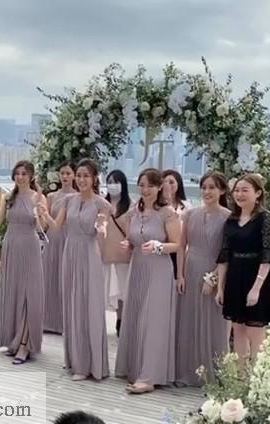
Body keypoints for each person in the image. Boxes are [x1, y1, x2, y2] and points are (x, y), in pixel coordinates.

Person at [39, 159, 110, 381]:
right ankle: (74, 359)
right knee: (71, 305)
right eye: (78, 175)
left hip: (88, 255)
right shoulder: (69, 200)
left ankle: (89, 364)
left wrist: (102, 227)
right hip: (69, 253)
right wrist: (44, 214)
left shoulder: (102, 204)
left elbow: (102, 225)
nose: (81, 179)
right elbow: (56, 225)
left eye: (86, 175)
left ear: (94, 178)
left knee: (87, 306)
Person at [115, 168, 181, 394]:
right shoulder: (135, 211)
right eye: (142, 185)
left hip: (159, 270)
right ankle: (134, 368)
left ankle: (149, 376)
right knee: (135, 316)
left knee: (153, 321)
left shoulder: (167, 213)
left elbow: (178, 244)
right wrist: (128, 244)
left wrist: (158, 246)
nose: (145, 190)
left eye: (150, 186)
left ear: (159, 187)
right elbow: (131, 239)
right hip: (137, 269)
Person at [216, 173, 270, 369]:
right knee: (238, 330)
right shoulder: (231, 221)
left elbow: (267, 256)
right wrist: (220, 287)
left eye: (245, 190)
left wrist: (256, 288)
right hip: (235, 277)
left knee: (255, 331)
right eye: (237, 190)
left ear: (258, 193)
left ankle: (257, 378)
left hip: (256, 277)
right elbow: (225, 254)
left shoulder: (265, 219)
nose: (240, 194)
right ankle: (241, 377)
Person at [175, 171, 231, 386]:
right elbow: (181, 246)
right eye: (204, 187)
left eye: (212, 187)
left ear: (222, 191)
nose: (207, 191)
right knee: (188, 320)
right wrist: (180, 275)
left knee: (213, 323)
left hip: (214, 271)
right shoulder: (190, 214)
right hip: (190, 269)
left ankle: (214, 374)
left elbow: (228, 252)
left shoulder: (228, 218)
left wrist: (214, 278)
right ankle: (186, 372)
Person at [0, 160, 46, 365]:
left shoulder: (38, 197)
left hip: (30, 248)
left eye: (24, 173)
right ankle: (13, 341)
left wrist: (39, 211)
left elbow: (43, 227)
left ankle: (25, 344)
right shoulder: (9, 197)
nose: (20, 177)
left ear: (31, 176)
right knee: (12, 292)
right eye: (17, 173)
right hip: (10, 246)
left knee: (29, 295)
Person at [42, 162, 77, 334]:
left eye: (68, 173)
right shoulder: (51, 196)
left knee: (67, 279)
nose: (65, 176)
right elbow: (45, 222)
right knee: (49, 277)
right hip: (53, 239)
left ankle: (66, 323)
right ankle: (47, 321)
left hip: (70, 239)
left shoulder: (78, 197)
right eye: (62, 173)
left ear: (74, 175)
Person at [101, 169, 132, 336]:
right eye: (110, 182)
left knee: (122, 292)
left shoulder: (131, 206)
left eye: (116, 182)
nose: (113, 185)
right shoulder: (102, 204)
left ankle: (121, 321)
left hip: (122, 256)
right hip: (104, 254)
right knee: (103, 289)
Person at [162, 170, 191, 281]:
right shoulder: (158, 206)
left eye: (171, 182)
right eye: (165, 182)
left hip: (181, 251)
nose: (168, 185)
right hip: (163, 250)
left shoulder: (187, 206)